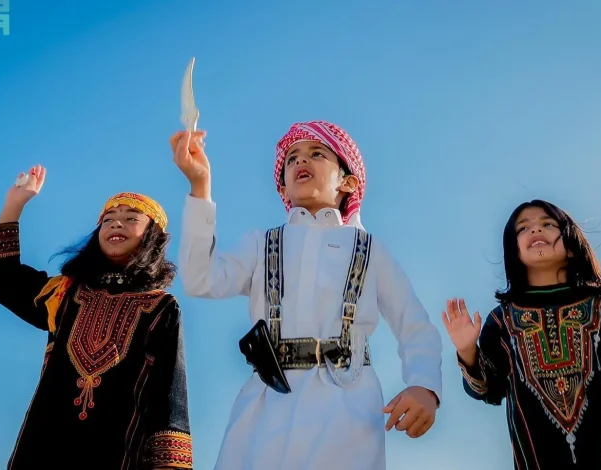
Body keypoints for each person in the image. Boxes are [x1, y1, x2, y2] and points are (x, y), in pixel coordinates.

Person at [172, 121, 444, 470]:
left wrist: (425, 385)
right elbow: (201, 280)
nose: (301, 160)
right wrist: (200, 187)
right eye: (292, 158)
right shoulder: (262, 244)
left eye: (317, 154)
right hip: (267, 404)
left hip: (347, 405)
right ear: (283, 184)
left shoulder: (369, 249)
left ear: (348, 182)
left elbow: (414, 326)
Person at [442, 199, 601, 469]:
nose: (535, 229)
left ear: (571, 245)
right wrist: (467, 350)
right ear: (514, 251)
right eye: (523, 228)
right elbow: (489, 391)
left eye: (548, 224)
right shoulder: (502, 321)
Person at [0, 165, 194, 470]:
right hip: (42, 451)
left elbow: (169, 394)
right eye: (108, 220)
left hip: (118, 455)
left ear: (152, 237)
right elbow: (0, 277)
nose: (116, 223)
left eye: (131, 218)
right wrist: (15, 204)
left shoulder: (161, 307)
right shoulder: (65, 294)